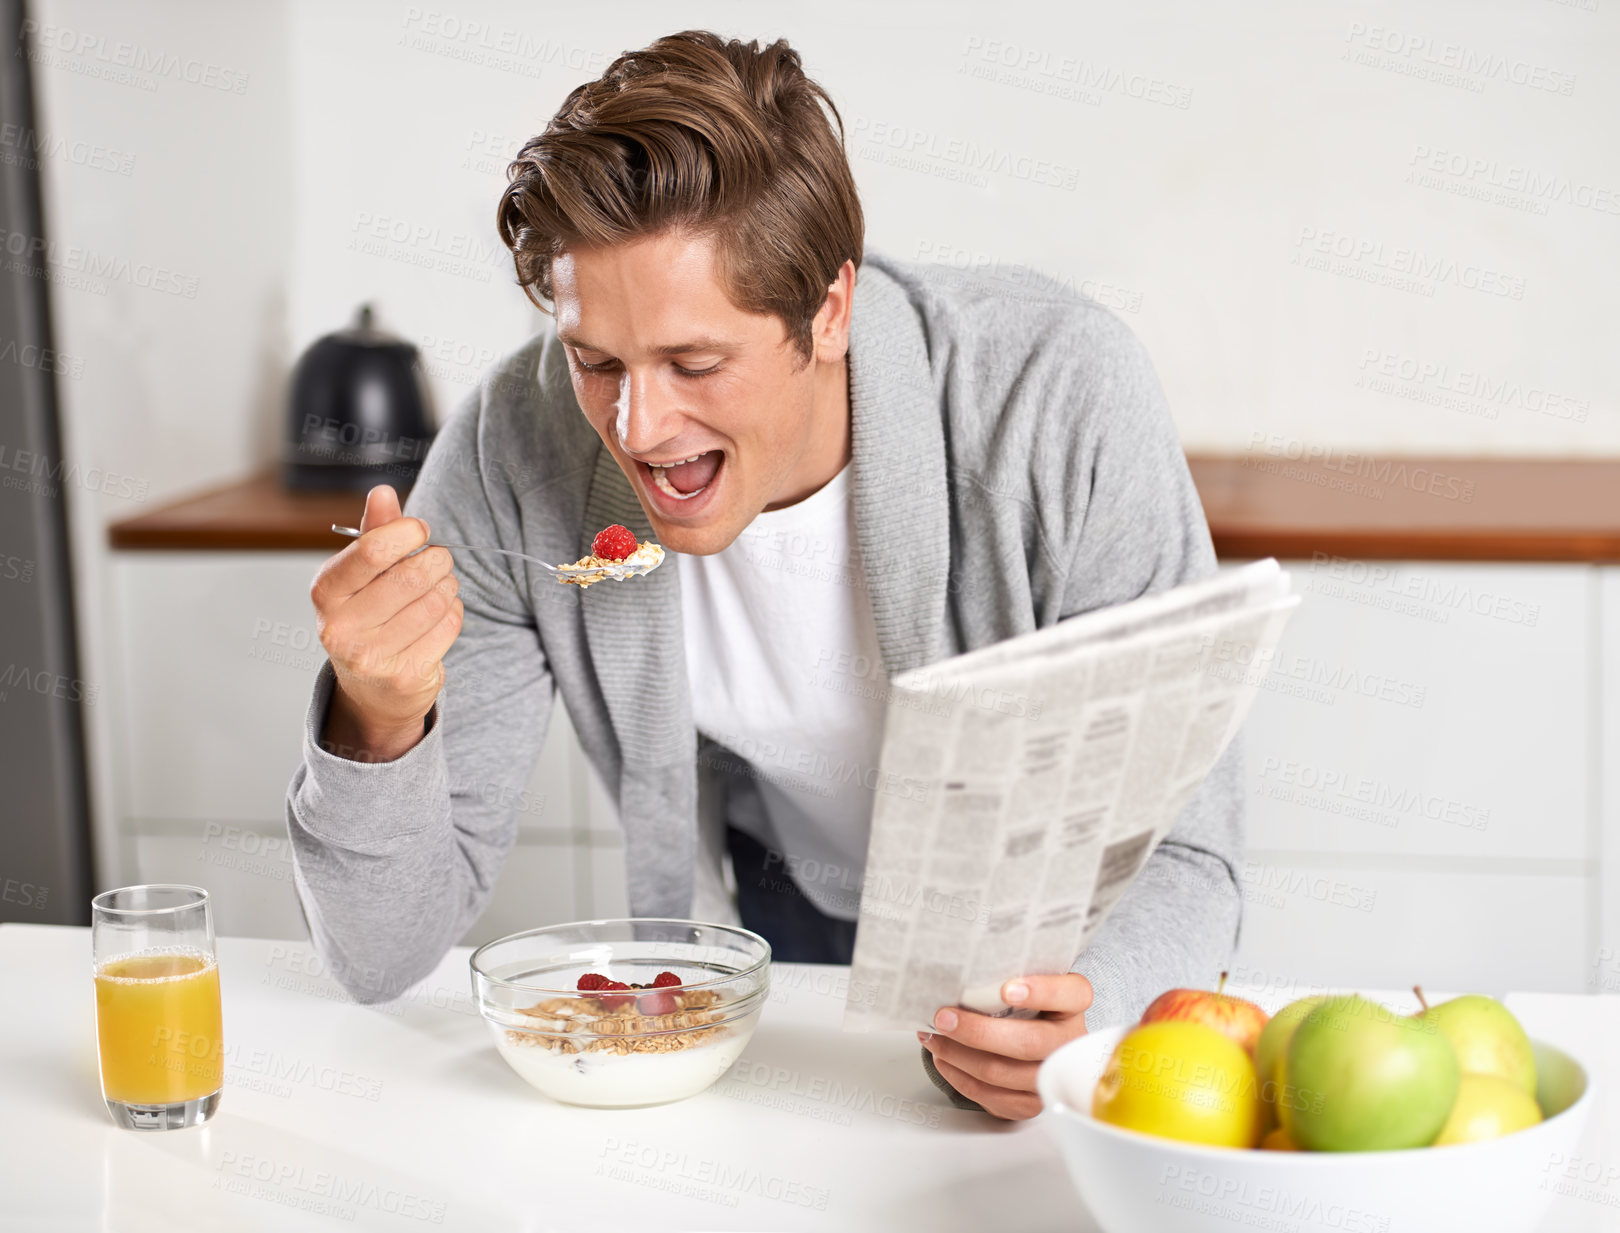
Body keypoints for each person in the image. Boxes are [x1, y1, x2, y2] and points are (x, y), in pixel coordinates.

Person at [287, 29, 1242, 1121]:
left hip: (1050, 958)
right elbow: (379, 955)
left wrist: (1097, 1014)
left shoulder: (1058, 393)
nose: (638, 429)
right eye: (596, 361)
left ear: (829, 310)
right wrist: (375, 718)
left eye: (696, 363)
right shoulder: (519, 442)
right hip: (778, 919)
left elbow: (1191, 847)